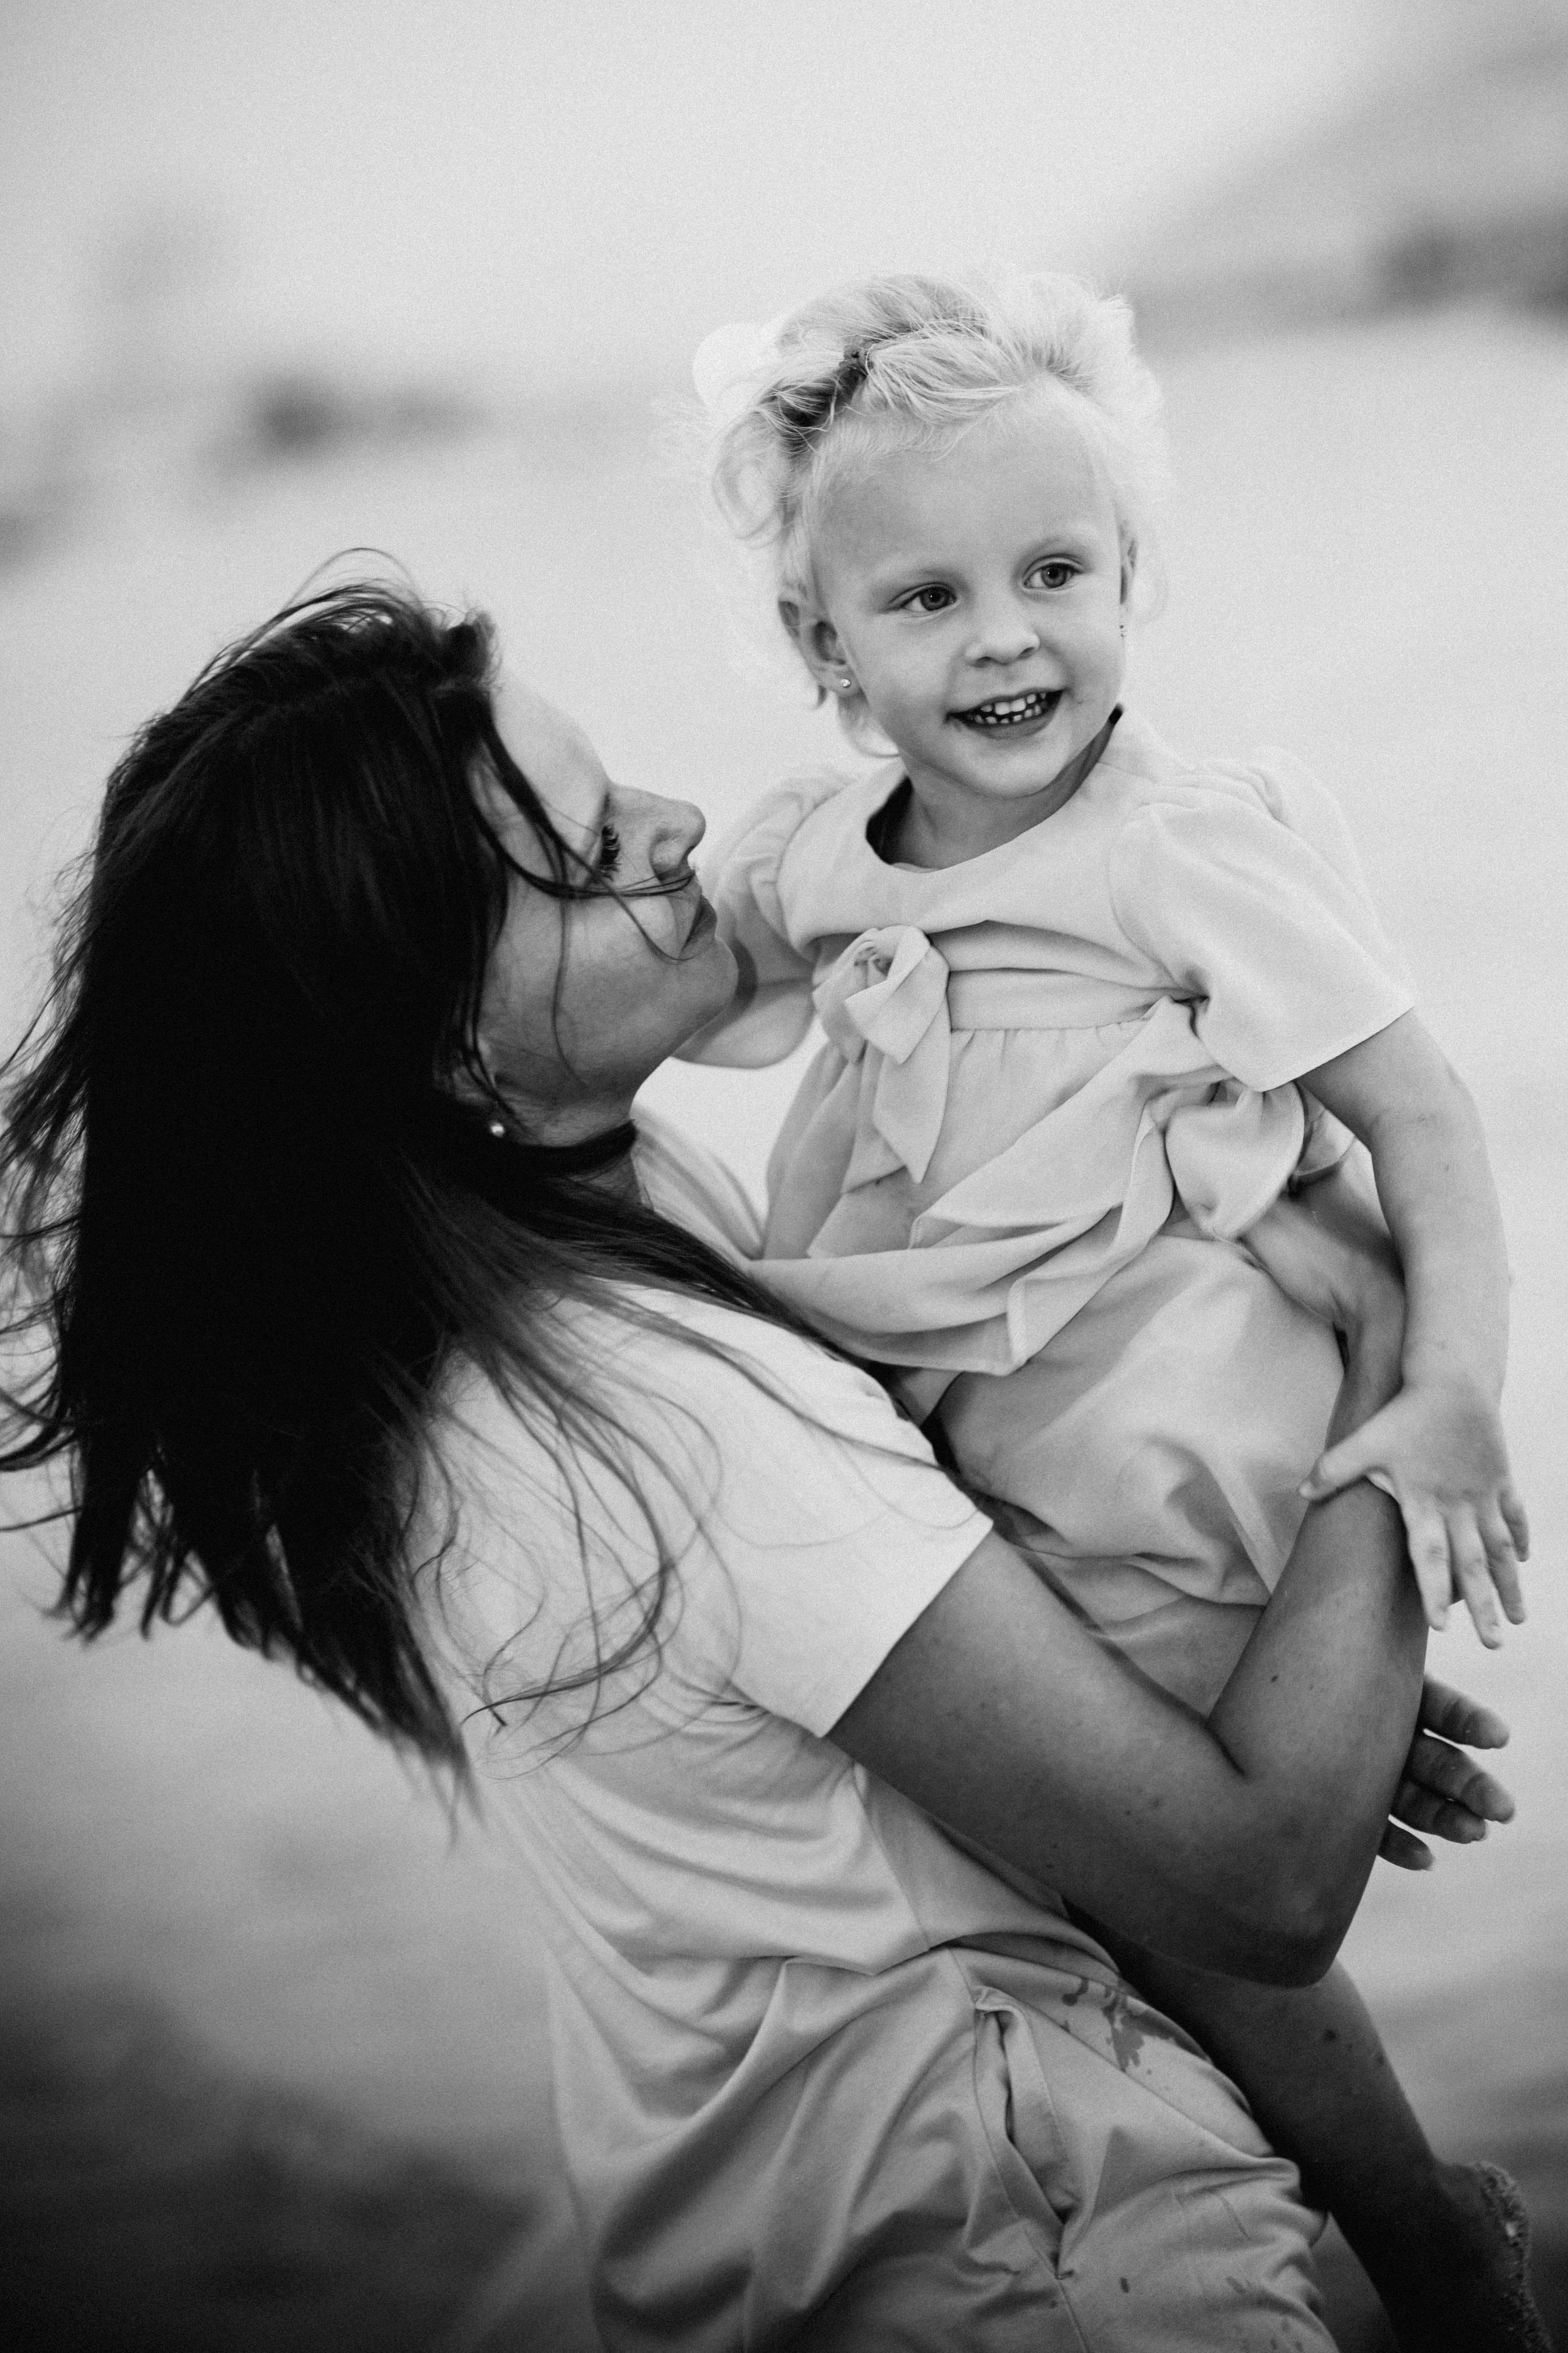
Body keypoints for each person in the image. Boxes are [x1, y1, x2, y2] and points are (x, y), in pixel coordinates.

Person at [0, 586, 1539, 2353]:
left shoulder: (526, 1276)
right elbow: (1256, 1881)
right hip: (1025, 2262)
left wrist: (1216, 1681)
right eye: (589, 853)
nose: (673, 826)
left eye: (614, 791)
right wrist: (1392, 1358)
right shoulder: (677, 1417)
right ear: (449, 1046)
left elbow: (1009, 1764)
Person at [679, 270, 1542, 2343]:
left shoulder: (1178, 853)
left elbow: (1422, 1115)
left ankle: (1416, 2225)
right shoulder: (822, 857)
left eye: (1055, 571)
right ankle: (1369, 2212)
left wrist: (1451, 1391)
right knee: (1086, 1866)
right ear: (823, 643)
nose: (1006, 636)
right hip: (971, 1452)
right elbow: (637, 987)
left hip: (1163, 1436)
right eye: (927, 597)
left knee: (1185, 1884)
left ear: (1132, 575)